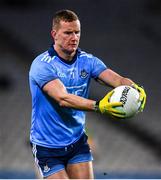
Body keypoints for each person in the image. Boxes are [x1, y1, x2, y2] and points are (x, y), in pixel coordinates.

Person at [29, 9, 146, 179]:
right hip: (48, 146)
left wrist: (135, 88)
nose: (74, 37)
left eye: (77, 32)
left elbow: (118, 80)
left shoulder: (87, 61)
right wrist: (99, 106)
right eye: (68, 32)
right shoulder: (42, 65)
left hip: (76, 141)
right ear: (54, 34)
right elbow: (63, 98)